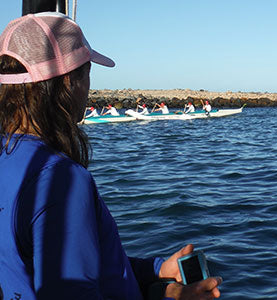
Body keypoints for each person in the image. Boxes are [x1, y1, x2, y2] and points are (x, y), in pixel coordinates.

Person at [0, 12, 222, 299]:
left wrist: (156, 270)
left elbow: (70, 268)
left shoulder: (11, 158)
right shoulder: (60, 180)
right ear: (69, 82)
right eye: (87, 72)